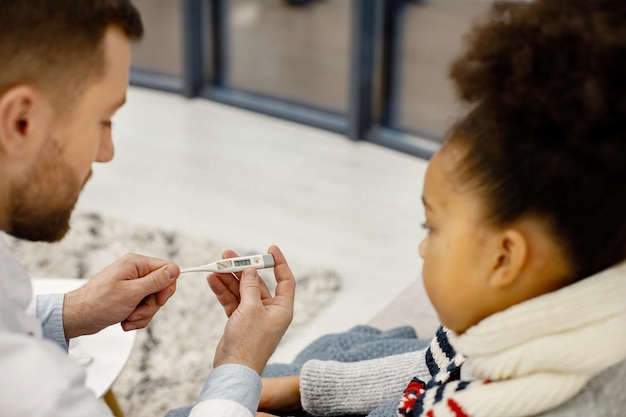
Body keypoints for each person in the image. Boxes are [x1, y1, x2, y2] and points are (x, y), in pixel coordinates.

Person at [256, 0, 626, 416]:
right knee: (310, 361)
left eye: (430, 226)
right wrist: (302, 388)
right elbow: (441, 369)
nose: (422, 247)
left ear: (505, 257)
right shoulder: (540, 323)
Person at [0, 1, 295, 417]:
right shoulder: (27, 387)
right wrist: (239, 365)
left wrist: (72, 312)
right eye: (103, 120)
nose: (107, 153)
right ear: (20, 123)